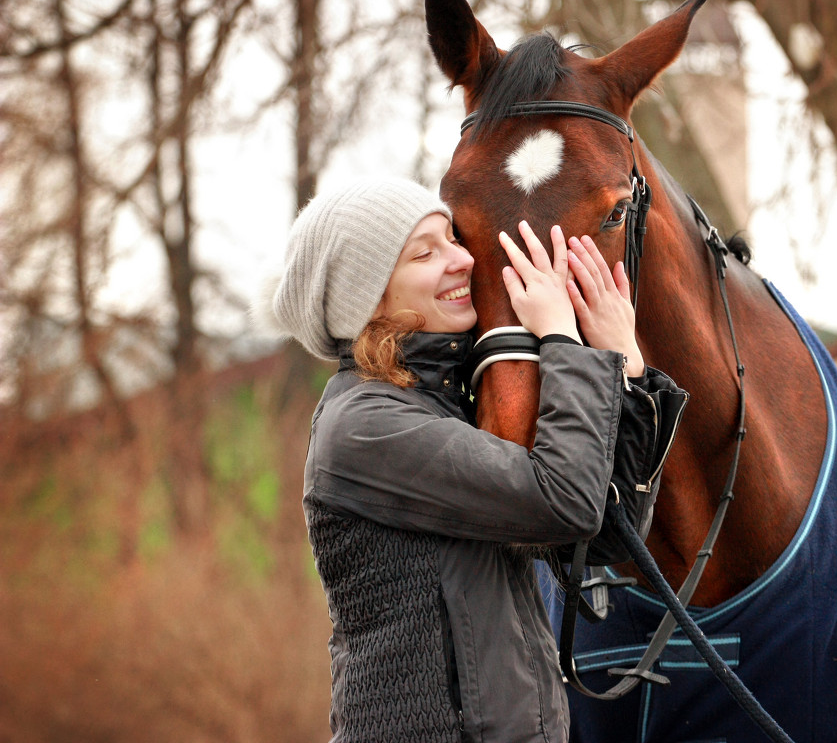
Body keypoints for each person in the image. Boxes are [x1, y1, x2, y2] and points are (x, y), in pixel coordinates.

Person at [259, 177, 686, 743]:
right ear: (369, 296)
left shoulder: (445, 409)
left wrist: (626, 365)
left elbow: (606, 536)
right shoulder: (366, 427)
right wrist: (560, 337)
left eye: (452, 240)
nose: (462, 260)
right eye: (425, 252)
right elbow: (563, 503)